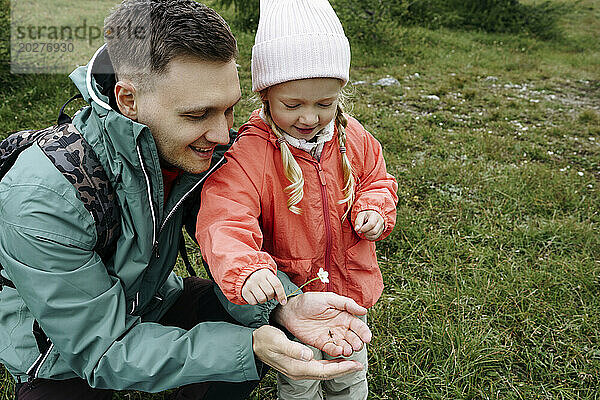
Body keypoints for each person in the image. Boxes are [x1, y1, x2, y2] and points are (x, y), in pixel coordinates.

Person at [0, 1, 373, 399]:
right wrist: (247, 348)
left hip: (153, 298)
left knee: (258, 325)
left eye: (229, 110)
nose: (221, 136)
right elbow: (101, 349)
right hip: (62, 352)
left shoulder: (192, 150)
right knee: (242, 346)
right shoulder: (43, 198)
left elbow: (225, 232)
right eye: (197, 115)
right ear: (128, 100)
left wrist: (284, 307)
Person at [195, 0, 399, 399]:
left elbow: (378, 179)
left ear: (340, 93)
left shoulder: (352, 137)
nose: (309, 117)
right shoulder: (250, 151)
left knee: (349, 368)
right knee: (301, 374)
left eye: (325, 104)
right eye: (293, 105)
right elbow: (224, 216)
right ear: (266, 95)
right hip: (296, 296)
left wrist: (373, 207)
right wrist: (246, 268)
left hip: (348, 290)